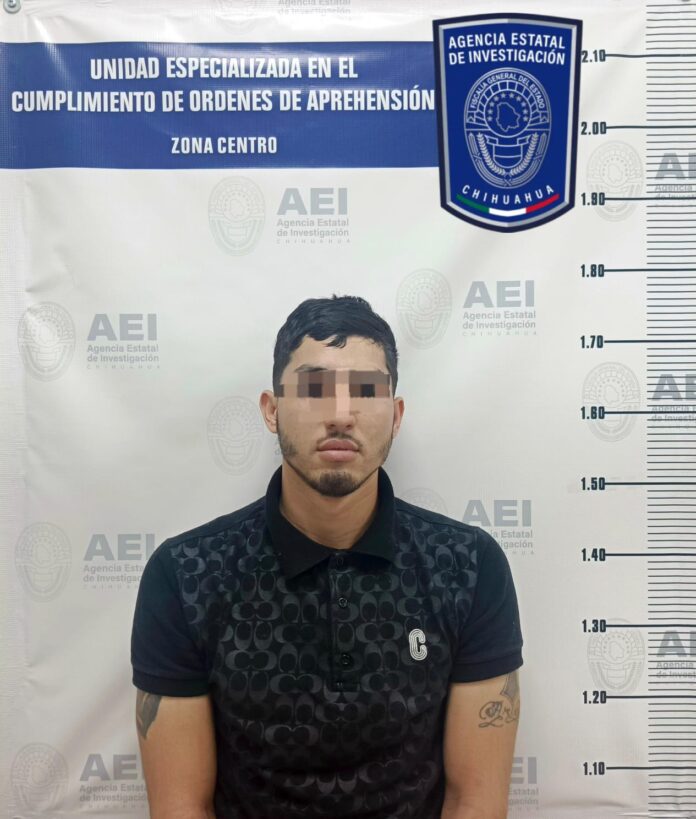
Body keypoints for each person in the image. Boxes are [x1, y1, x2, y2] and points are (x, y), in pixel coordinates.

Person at [130, 294, 524, 819]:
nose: (341, 415)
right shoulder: (185, 576)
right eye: (314, 389)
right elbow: (181, 806)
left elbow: (476, 800)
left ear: (396, 415)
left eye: (366, 390)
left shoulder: (468, 566)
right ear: (271, 410)